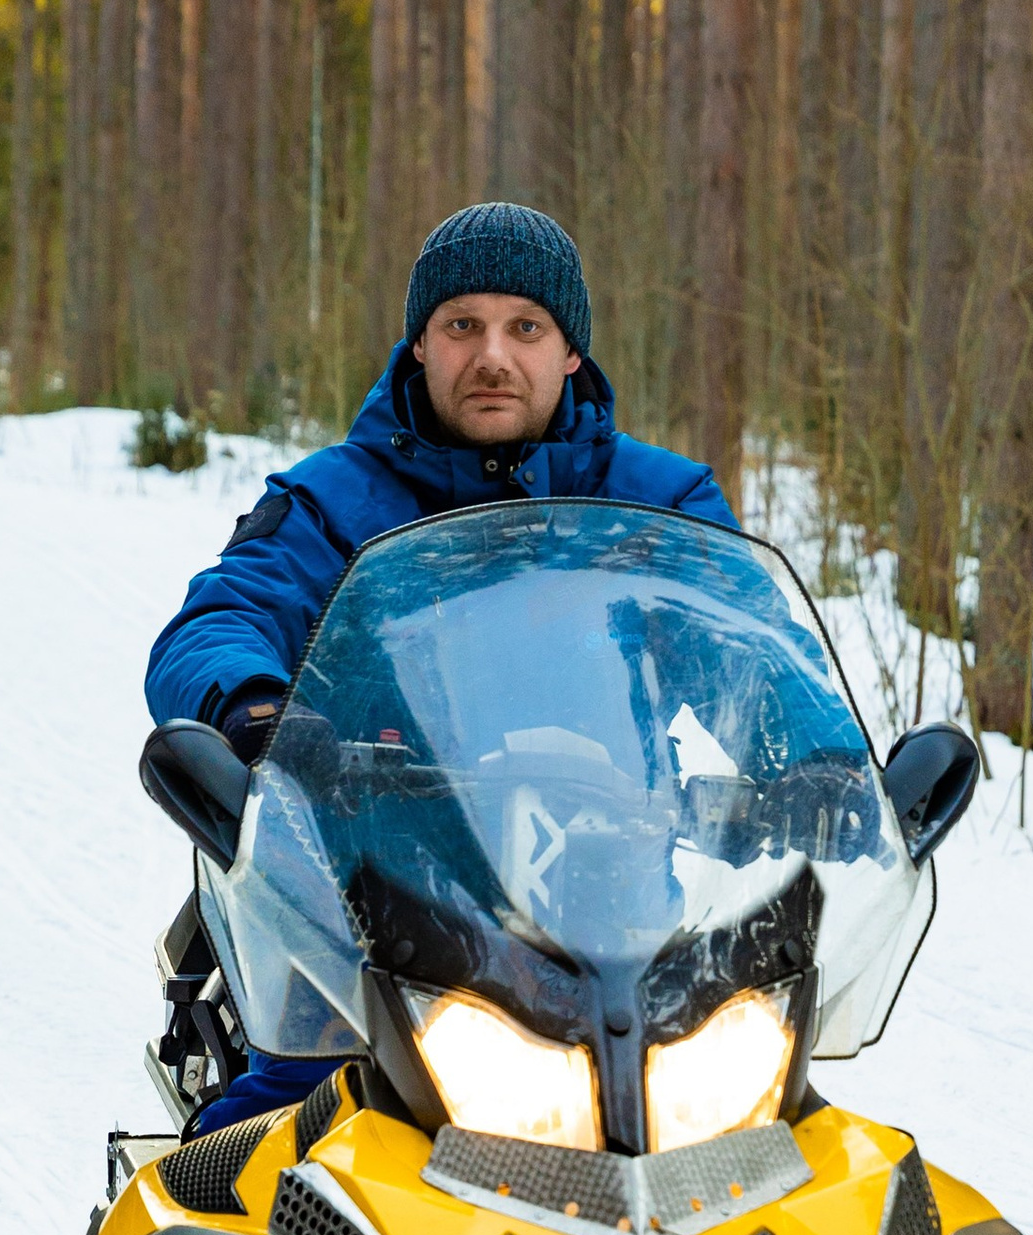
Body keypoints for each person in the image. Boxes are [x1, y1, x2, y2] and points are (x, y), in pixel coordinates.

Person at [146, 201, 737, 1134]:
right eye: (463, 325)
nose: (492, 355)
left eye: (525, 328)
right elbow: (220, 618)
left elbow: (738, 651)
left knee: (758, 1146)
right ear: (420, 343)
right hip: (370, 920)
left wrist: (807, 763)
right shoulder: (332, 502)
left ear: (570, 351)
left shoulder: (661, 506)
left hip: (622, 932)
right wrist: (256, 712)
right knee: (261, 1158)